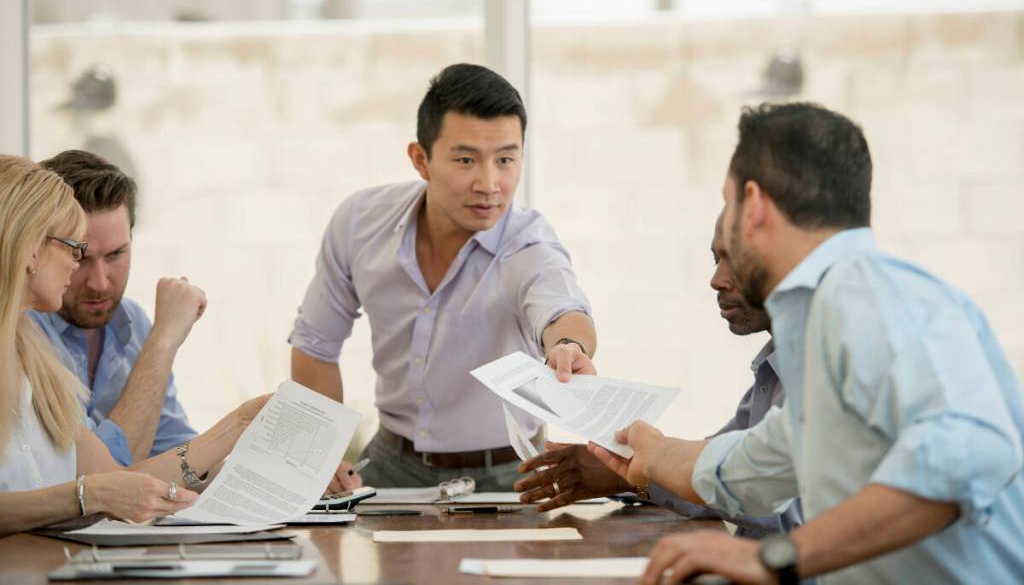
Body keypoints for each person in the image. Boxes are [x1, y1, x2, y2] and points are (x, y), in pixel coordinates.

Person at [590, 103, 1024, 584]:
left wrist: (773, 558)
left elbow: (965, 457)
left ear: (753, 206)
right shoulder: (827, 320)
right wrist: (653, 454)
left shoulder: (868, 294)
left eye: (728, 204)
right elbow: (758, 464)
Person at [290, 63, 597, 491]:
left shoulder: (529, 244)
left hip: (509, 474)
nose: (489, 183)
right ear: (421, 159)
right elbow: (315, 344)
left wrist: (569, 347)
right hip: (390, 463)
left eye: (506, 159)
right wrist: (321, 456)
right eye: (466, 160)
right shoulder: (360, 222)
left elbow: (562, 308)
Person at [0, 154, 270, 536]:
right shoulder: (39, 335)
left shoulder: (33, 357)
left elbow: (117, 480)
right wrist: (86, 495)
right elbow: (102, 489)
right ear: (28, 248)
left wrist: (241, 424)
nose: (92, 278)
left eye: (115, 254)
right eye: (75, 250)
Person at [515, 215, 802, 538]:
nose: (716, 280)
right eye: (716, 259)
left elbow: (777, 502)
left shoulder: (814, 367)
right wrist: (630, 468)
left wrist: (644, 467)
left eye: (736, 260)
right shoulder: (775, 365)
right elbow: (724, 468)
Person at [29, 150, 203, 465]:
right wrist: (163, 342)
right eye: (80, 257)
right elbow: (103, 475)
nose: (99, 283)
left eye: (115, 255)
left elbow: (177, 452)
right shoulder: (22, 333)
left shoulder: (132, 320)